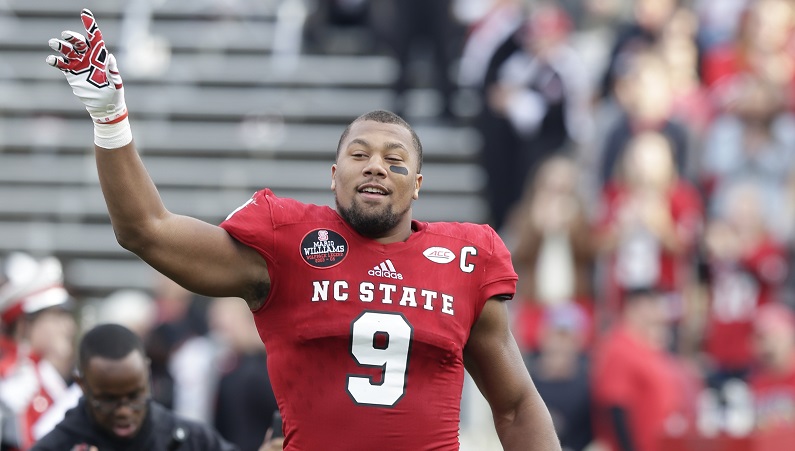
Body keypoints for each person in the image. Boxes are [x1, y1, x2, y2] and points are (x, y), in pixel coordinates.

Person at [44, 9, 560, 451]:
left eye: (394, 159)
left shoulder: (465, 259)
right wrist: (110, 115)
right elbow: (146, 231)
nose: (376, 166)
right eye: (359, 155)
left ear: (418, 184)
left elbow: (515, 406)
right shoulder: (288, 244)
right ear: (334, 177)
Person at [31, 323, 239, 451]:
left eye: (135, 396)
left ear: (147, 374)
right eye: (108, 400)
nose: (124, 411)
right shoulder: (59, 445)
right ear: (82, 385)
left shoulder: (192, 439)